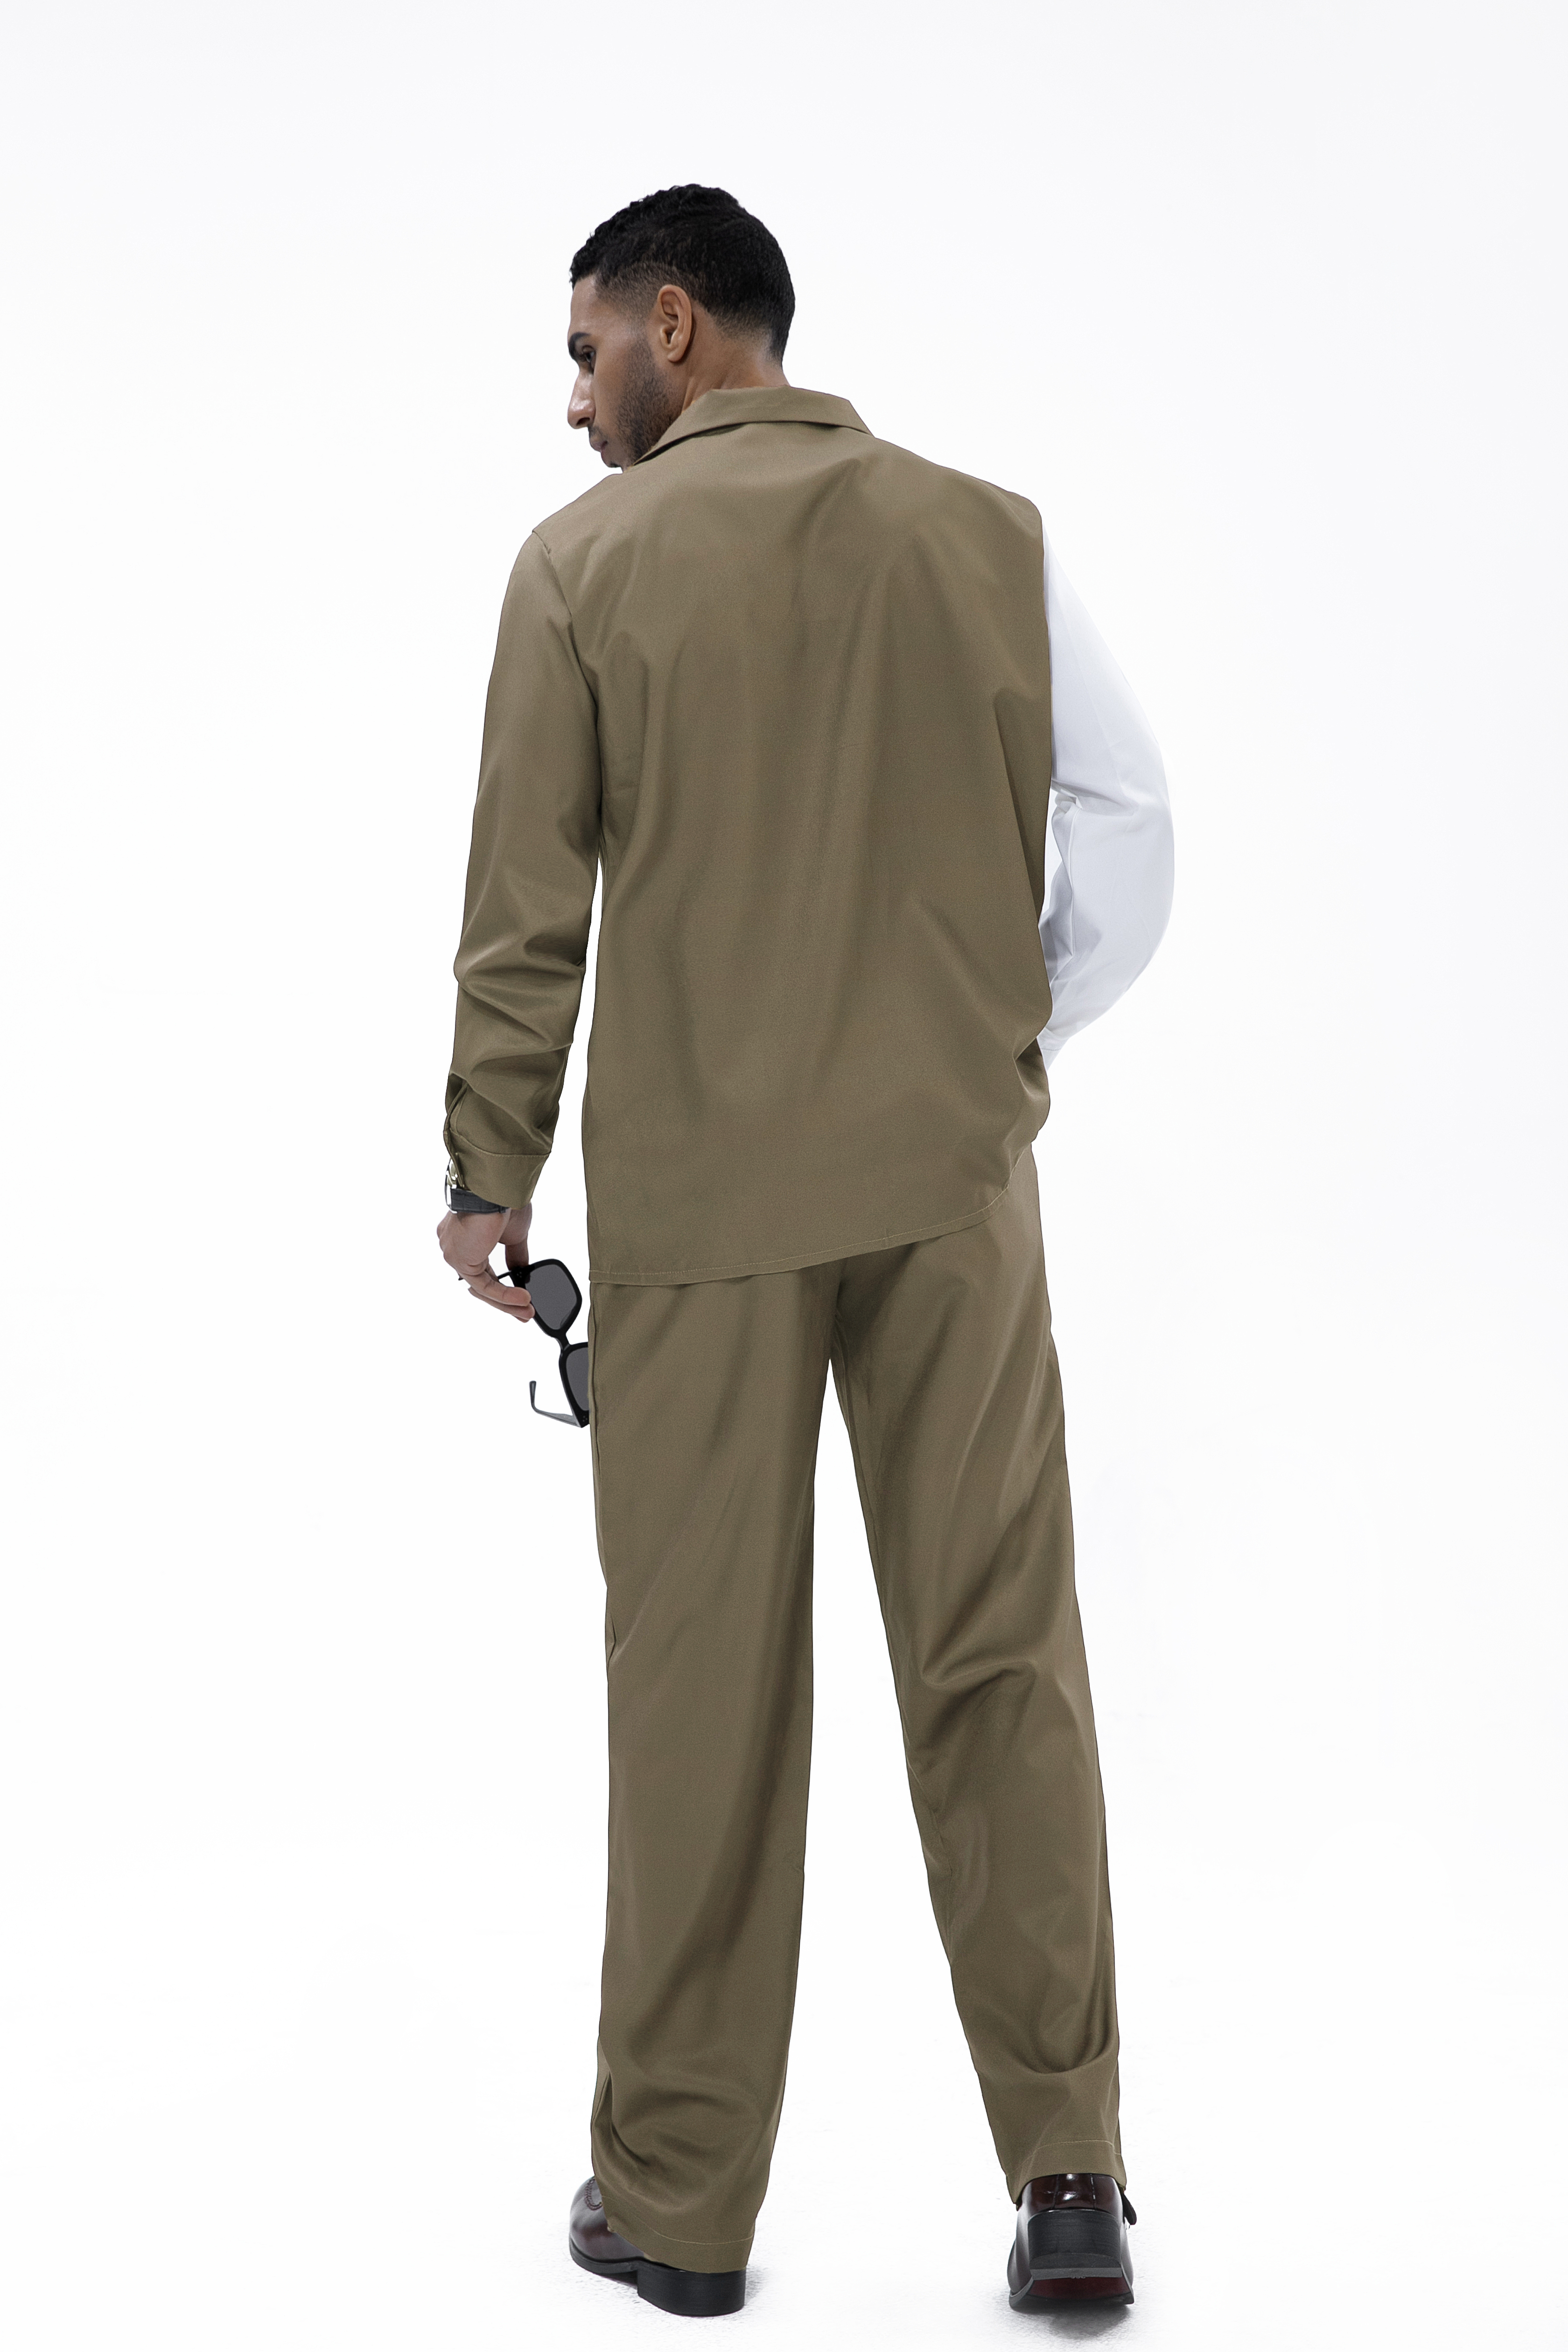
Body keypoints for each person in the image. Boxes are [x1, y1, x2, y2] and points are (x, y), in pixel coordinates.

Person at [435, 184, 1173, 2318]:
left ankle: (679, 2209)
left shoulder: (581, 570)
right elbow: (1132, 827)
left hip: (703, 1219)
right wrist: (999, 1035)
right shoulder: (987, 536)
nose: (576, 400)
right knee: (1000, 1663)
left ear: (679, 326)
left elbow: (525, 911)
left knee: (704, 1698)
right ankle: (1071, 2176)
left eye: (588, 351)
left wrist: (488, 1170)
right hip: (953, 1194)